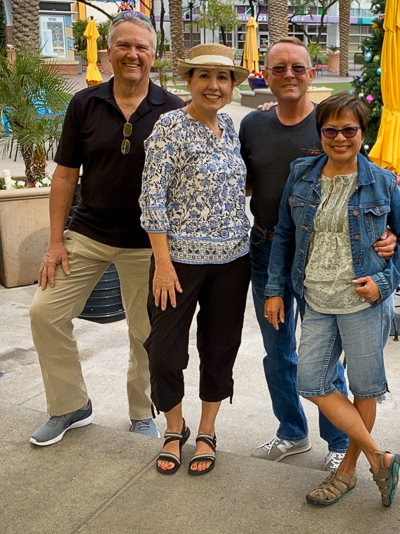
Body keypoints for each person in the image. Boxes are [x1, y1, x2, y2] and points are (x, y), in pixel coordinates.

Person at [239, 37, 396, 470]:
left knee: (325, 357)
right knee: (278, 351)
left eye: (297, 68)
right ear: (265, 75)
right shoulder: (252, 124)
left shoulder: (331, 123)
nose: (288, 75)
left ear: (312, 74)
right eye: (278, 68)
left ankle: (339, 442)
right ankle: (292, 431)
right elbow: (244, 179)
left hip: (325, 259)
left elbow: (369, 184)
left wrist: (387, 234)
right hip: (267, 250)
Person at [28, 11, 185, 446]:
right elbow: (65, 175)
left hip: (147, 243)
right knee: (45, 313)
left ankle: (142, 412)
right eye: (124, 46)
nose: (133, 54)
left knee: (146, 332)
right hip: (88, 233)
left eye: (141, 47)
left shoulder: (173, 111)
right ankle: (70, 405)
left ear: (153, 54)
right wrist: (55, 242)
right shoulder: (85, 103)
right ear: (108, 52)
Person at [264, 93, 400, 507]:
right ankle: (379, 457)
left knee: (364, 389)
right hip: (315, 297)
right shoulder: (301, 173)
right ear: (320, 133)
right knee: (311, 382)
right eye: (330, 130)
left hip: (363, 302)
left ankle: (347, 472)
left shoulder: (382, 181)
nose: (339, 138)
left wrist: (384, 283)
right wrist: (275, 289)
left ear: (362, 133)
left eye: (349, 129)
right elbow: (284, 234)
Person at [139, 44, 250, 476]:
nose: (214, 86)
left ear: (232, 85)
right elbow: (151, 199)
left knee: (219, 348)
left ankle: (207, 430)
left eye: (223, 78)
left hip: (233, 261)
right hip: (178, 263)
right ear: (189, 80)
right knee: (164, 352)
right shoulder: (169, 127)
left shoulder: (230, 127)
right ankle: (174, 427)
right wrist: (163, 264)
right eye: (204, 76)